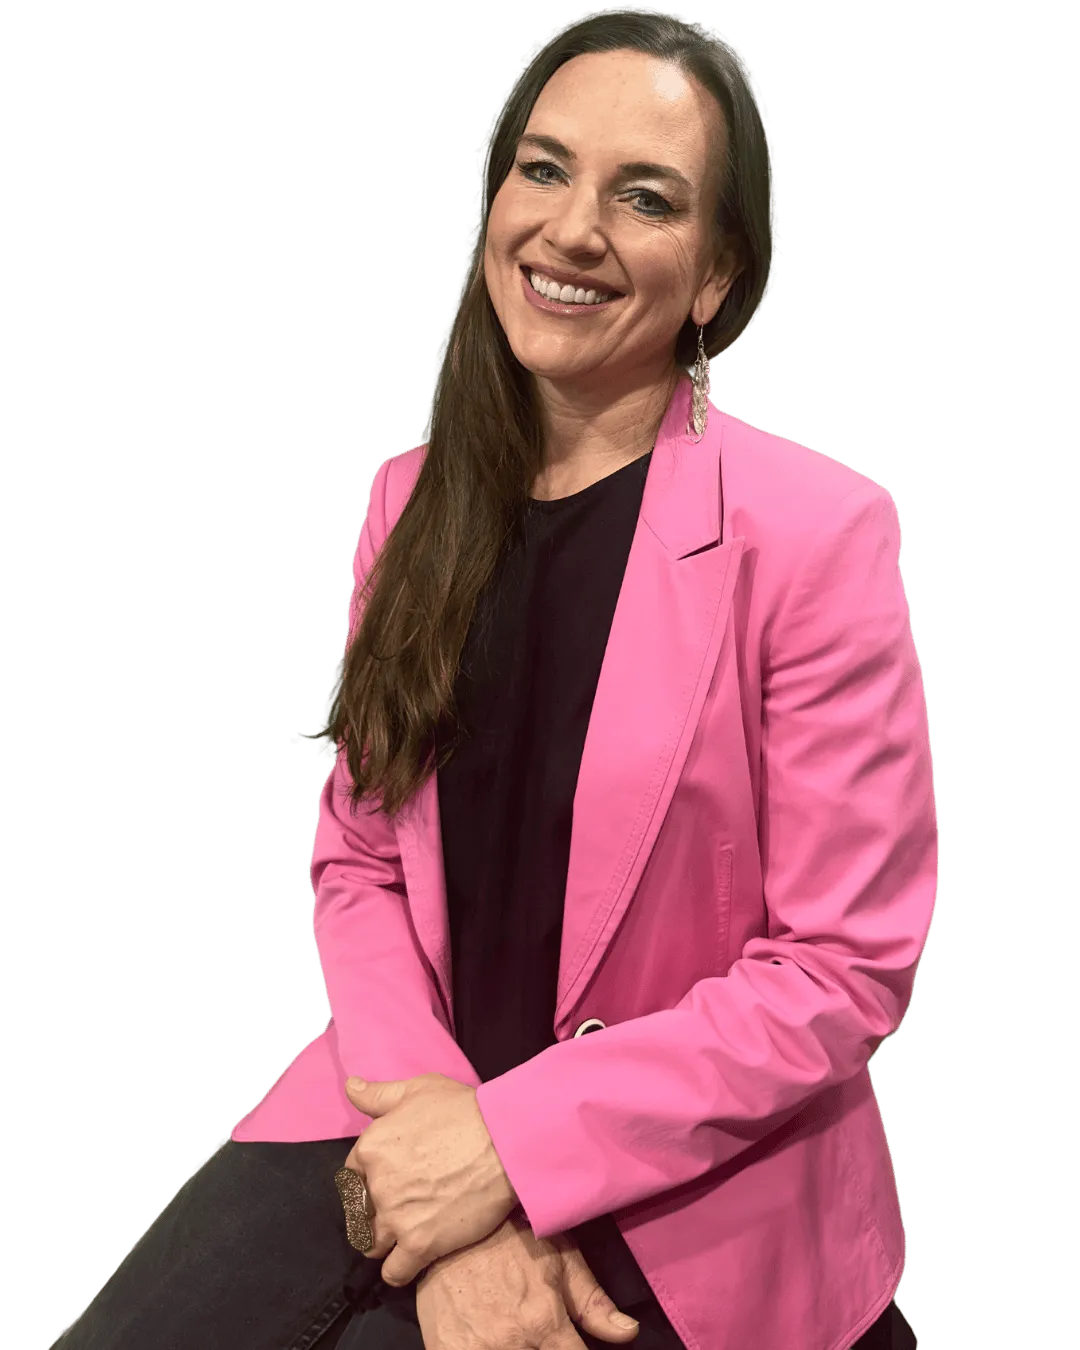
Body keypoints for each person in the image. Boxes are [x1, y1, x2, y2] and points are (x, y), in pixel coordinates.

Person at [47, 6, 935, 1349]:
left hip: (692, 1162)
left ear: (713, 278)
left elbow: (841, 968)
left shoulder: (819, 532)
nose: (572, 228)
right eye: (544, 167)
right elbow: (358, 857)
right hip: (410, 1087)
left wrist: (512, 1148)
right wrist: (443, 1144)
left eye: (645, 197)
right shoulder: (409, 505)